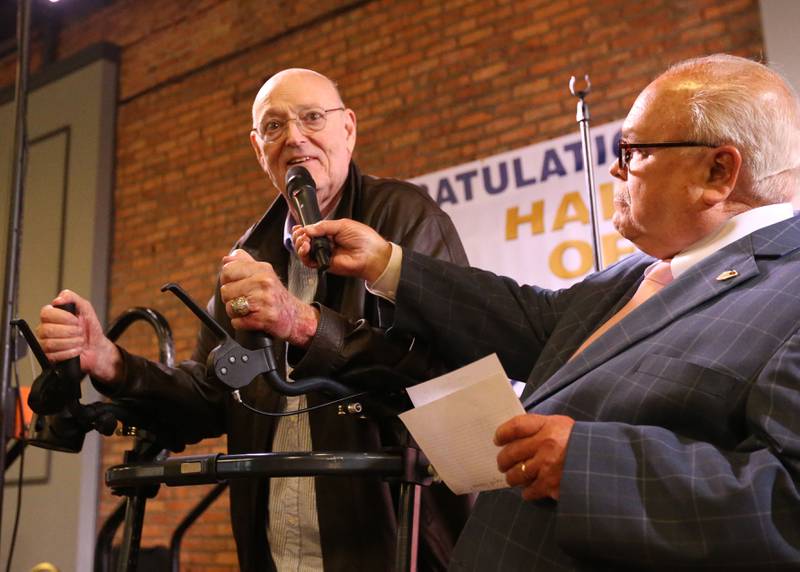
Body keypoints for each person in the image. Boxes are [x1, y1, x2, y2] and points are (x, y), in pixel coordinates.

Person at [293, 54, 800, 569]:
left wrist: (589, 465)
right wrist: (384, 261)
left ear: (718, 170)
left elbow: (788, 505)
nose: (616, 168)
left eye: (634, 151)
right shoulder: (638, 273)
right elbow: (536, 322)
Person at [36, 68, 471, 571]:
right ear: (257, 148)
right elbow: (211, 393)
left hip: (396, 549)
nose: (295, 138)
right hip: (279, 553)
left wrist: (303, 324)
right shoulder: (251, 253)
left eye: (312, 118)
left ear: (348, 128)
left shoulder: (406, 218)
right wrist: (111, 363)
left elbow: (442, 371)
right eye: (274, 126)